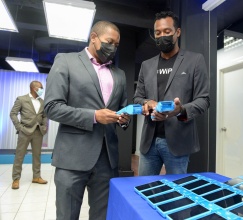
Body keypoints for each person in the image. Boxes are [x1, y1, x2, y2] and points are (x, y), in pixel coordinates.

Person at [44, 21, 130, 220]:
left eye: (117, 45)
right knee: (67, 216)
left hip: (107, 160)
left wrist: (123, 119)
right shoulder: (65, 61)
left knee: (102, 216)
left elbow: (121, 109)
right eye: (110, 42)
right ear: (93, 37)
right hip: (72, 158)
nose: (113, 48)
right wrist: (93, 116)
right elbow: (52, 107)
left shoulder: (120, 75)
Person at [133, 11, 210, 176]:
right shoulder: (146, 65)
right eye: (158, 33)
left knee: (177, 196)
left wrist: (180, 110)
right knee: (144, 190)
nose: (162, 36)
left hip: (178, 142)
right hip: (149, 142)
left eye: (167, 32)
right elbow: (138, 98)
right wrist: (146, 103)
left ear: (178, 32)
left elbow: (204, 100)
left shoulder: (195, 61)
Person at [10, 80, 48, 190]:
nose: (42, 90)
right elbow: (13, 113)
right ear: (34, 88)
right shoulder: (21, 99)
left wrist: (44, 126)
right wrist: (19, 128)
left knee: (37, 155)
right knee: (19, 155)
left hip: (38, 132)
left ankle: (36, 177)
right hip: (25, 131)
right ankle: (16, 179)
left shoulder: (42, 101)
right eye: (40, 88)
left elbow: (45, 116)